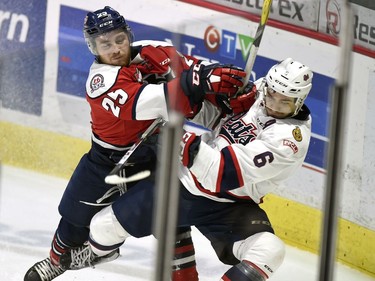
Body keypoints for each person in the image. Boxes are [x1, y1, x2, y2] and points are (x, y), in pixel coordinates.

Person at [23, 6, 247, 281]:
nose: (115, 48)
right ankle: (59, 261)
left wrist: (226, 95)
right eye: (104, 44)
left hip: (157, 155)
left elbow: (195, 71)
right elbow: (155, 100)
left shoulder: (156, 52)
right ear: (93, 47)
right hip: (108, 160)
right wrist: (199, 81)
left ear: (128, 35)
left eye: (119, 39)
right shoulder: (100, 82)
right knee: (74, 218)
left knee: (170, 219)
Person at [58, 57, 313, 280]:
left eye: (285, 102)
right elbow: (215, 117)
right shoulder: (260, 94)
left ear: (299, 101)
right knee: (102, 228)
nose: (274, 105)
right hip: (182, 186)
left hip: (230, 203)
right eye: (271, 95)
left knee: (270, 250)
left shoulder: (289, 140)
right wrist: (212, 101)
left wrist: (183, 142)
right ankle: (96, 254)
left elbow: (221, 174)